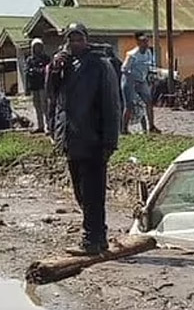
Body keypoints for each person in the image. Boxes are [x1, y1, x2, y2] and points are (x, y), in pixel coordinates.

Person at [48, 23, 120, 255]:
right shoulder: (66, 65)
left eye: (79, 39)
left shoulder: (100, 65)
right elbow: (52, 95)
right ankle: (98, 236)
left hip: (94, 140)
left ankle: (92, 239)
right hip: (71, 139)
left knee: (93, 193)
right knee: (80, 193)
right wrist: (54, 69)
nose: (75, 43)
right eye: (71, 39)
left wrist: (110, 141)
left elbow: (112, 105)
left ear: (87, 40)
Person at [121, 32, 160, 134]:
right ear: (138, 43)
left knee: (149, 102)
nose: (146, 44)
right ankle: (124, 129)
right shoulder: (132, 55)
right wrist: (132, 80)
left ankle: (151, 127)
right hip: (129, 81)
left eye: (147, 41)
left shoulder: (148, 53)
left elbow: (149, 66)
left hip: (141, 81)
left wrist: (153, 74)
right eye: (143, 42)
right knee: (129, 105)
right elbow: (124, 69)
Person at [25, 38, 50, 134]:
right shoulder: (30, 60)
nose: (37, 48)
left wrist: (35, 71)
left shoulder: (46, 58)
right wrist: (27, 88)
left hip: (43, 85)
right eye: (35, 47)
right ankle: (40, 125)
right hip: (34, 86)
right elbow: (28, 73)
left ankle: (48, 126)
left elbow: (46, 71)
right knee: (37, 106)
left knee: (45, 106)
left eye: (39, 46)